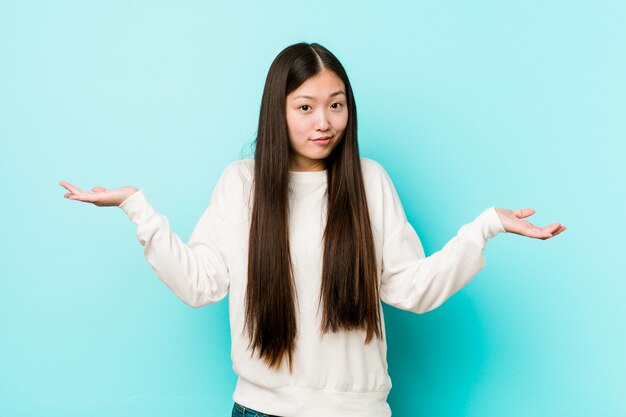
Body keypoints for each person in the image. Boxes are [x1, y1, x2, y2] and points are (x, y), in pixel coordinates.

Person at [59, 42, 566, 417]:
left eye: (336, 104)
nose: (324, 121)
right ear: (278, 112)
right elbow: (200, 284)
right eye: (305, 107)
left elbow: (411, 288)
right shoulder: (243, 184)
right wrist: (137, 208)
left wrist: (484, 229)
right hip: (261, 410)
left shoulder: (369, 181)